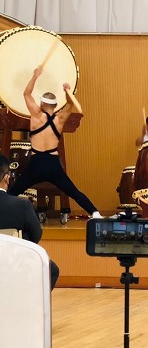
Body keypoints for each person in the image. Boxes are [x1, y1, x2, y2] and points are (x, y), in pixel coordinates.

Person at [8, 67, 101, 218]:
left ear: (42, 103)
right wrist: (67, 91)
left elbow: (26, 94)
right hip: (53, 164)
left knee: (13, 191)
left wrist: (35, 76)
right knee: (73, 192)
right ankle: (95, 213)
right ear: (55, 105)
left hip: (36, 164)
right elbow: (70, 103)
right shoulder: (60, 119)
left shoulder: (36, 115)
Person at [1, 153, 60, 289]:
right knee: (52, 270)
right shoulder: (22, 205)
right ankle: (29, 300)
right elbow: (36, 234)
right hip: (15, 259)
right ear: (7, 178)